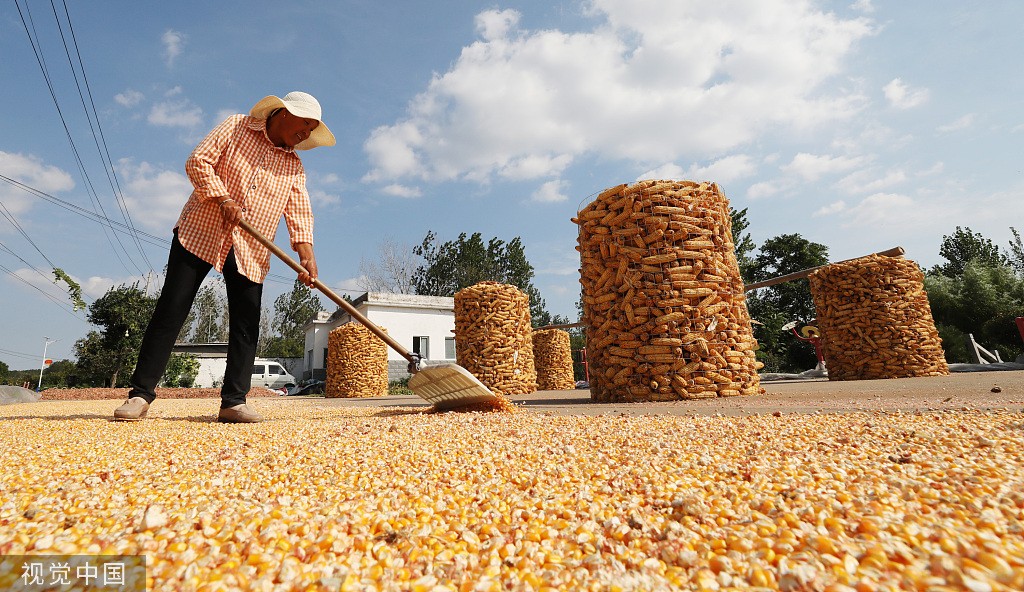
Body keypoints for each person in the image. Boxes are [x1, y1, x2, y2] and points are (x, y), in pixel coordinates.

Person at [114, 91, 335, 423]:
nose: (306, 134)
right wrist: (221, 197)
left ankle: (233, 401)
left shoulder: (293, 167)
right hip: (201, 230)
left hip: (251, 247)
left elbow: (300, 213)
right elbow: (198, 161)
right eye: (305, 124)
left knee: (247, 324)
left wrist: (308, 257)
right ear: (284, 113)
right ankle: (140, 395)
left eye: (312, 129)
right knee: (171, 309)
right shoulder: (236, 127)